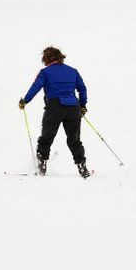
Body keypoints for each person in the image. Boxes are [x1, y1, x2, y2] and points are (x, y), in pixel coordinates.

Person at [18, 46, 90, 178]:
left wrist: (25, 101)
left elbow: (36, 87)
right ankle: (82, 167)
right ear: (60, 57)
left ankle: (42, 167)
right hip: (73, 108)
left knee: (46, 138)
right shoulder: (73, 71)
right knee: (74, 140)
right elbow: (82, 88)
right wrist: (83, 105)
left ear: (46, 59)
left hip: (54, 107)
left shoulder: (45, 72)